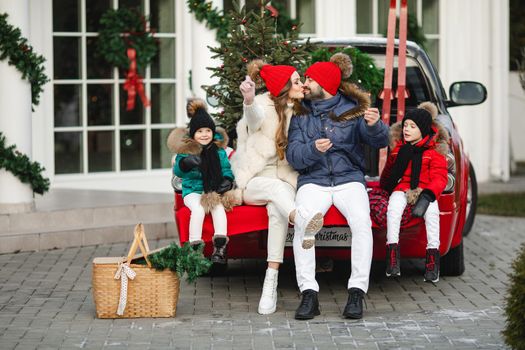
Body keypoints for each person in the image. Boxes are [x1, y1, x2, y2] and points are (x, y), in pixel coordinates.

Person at [286, 53, 389, 320]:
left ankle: (356, 292)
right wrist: (312, 149)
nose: (305, 84)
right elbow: (294, 155)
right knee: (303, 224)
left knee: (361, 224)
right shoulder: (301, 113)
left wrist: (375, 125)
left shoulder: (353, 109)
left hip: (349, 179)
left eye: (310, 79)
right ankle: (309, 293)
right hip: (314, 180)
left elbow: (379, 141)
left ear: (326, 83)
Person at [231, 60, 324, 315]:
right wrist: (248, 100)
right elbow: (253, 118)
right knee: (274, 191)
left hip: (284, 180)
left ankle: (269, 282)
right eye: (296, 81)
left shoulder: (298, 109)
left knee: (276, 209)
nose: (301, 84)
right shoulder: (261, 105)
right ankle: (301, 218)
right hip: (254, 180)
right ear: (282, 87)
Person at [380, 102, 449, 283]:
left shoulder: (434, 153)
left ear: (424, 129)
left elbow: (439, 178)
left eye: (412, 126)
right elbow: (388, 175)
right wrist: (388, 179)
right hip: (402, 189)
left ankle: (432, 263)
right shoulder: (399, 151)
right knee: (393, 211)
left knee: (433, 215)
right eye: (405, 126)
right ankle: (393, 259)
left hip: (425, 191)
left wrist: (427, 196)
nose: (406, 130)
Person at [170, 99, 237, 264]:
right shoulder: (186, 150)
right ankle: (195, 249)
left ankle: (220, 248)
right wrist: (186, 163)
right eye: (200, 131)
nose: (204, 134)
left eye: (208, 130)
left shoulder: (218, 152)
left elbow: (226, 169)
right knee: (199, 209)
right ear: (193, 134)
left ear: (213, 132)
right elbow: (177, 170)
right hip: (192, 191)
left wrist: (227, 180)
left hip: (212, 190)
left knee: (218, 208)